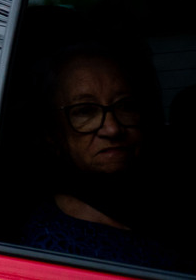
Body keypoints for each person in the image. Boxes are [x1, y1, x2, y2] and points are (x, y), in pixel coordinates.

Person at [18, 42, 184, 271]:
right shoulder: (51, 245)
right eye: (85, 111)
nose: (112, 128)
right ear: (51, 134)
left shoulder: (168, 196)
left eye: (125, 105)